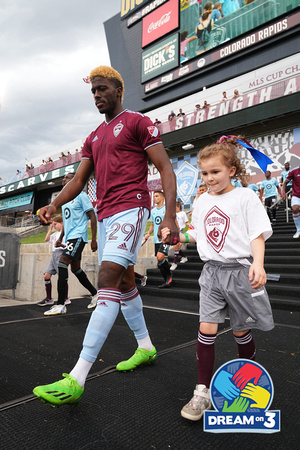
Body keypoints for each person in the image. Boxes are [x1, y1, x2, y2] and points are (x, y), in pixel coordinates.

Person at [33, 65, 177, 407]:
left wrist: (169, 214)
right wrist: (53, 204)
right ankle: (145, 347)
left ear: (118, 91)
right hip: (108, 214)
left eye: (102, 89)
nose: (97, 95)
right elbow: (79, 181)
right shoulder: (93, 137)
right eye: (93, 91)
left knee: (108, 278)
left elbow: (165, 168)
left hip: (133, 207)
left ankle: (77, 377)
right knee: (125, 284)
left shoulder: (139, 122)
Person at [161, 135, 274, 421]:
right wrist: (179, 238)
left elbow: (256, 235)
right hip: (211, 273)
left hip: (239, 272)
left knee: (239, 331)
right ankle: (202, 391)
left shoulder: (245, 197)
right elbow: (198, 233)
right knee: (207, 328)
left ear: (231, 171)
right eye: (205, 173)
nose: (209, 178)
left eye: (215, 172)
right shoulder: (200, 201)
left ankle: (249, 381)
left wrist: (258, 264)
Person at [43, 173, 98, 315]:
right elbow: (66, 224)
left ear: (74, 180)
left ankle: (61, 304)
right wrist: (61, 237)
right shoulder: (66, 200)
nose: (63, 179)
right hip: (70, 238)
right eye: (63, 178)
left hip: (79, 236)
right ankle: (95, 294)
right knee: (76, 269)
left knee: (62, 263)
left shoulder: (81, 195)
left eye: (67, 177)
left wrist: (93, 239)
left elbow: (92, 216)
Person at [36, 215, 70, 307]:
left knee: (62, 277)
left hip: (60, 254)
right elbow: (46, 239)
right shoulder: (55, 234)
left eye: (55, 224)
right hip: (53, 255)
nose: (54, 226)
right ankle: (49, 298)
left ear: (62, 224)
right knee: (46, 276)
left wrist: (60, 245)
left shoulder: (65, 233)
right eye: (53, 225)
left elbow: (67, 245)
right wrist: (50, 229)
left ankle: (66, 298)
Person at [144, 191, 174, 288]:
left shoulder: (167, 209)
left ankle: (169, 273)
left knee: (160, 257)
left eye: (156, 196)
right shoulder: (153, 211)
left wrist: (177, 235)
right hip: (157, 239)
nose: (154, 198)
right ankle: (167, 280)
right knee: (160, 261)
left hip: (165, 238)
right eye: (154, 196)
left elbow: (174, 222)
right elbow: (153, 224)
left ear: (162, 198)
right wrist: (148, 233)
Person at [282, 165, 300, 238]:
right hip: (296, 195)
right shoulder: (294, 171)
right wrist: (283, 193)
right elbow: (285, 183)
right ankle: (298, 229)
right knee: (295, 208)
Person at [170, 201, 189, 271]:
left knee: (176, 246)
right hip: (174, 231)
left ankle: (175, 263)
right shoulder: (173, 214)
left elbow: (186, 222)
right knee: (176, 247)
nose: (175, 209)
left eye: (176, 207)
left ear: (179, 207)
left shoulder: (183, 213)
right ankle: (184, 257)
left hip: (180, 231)